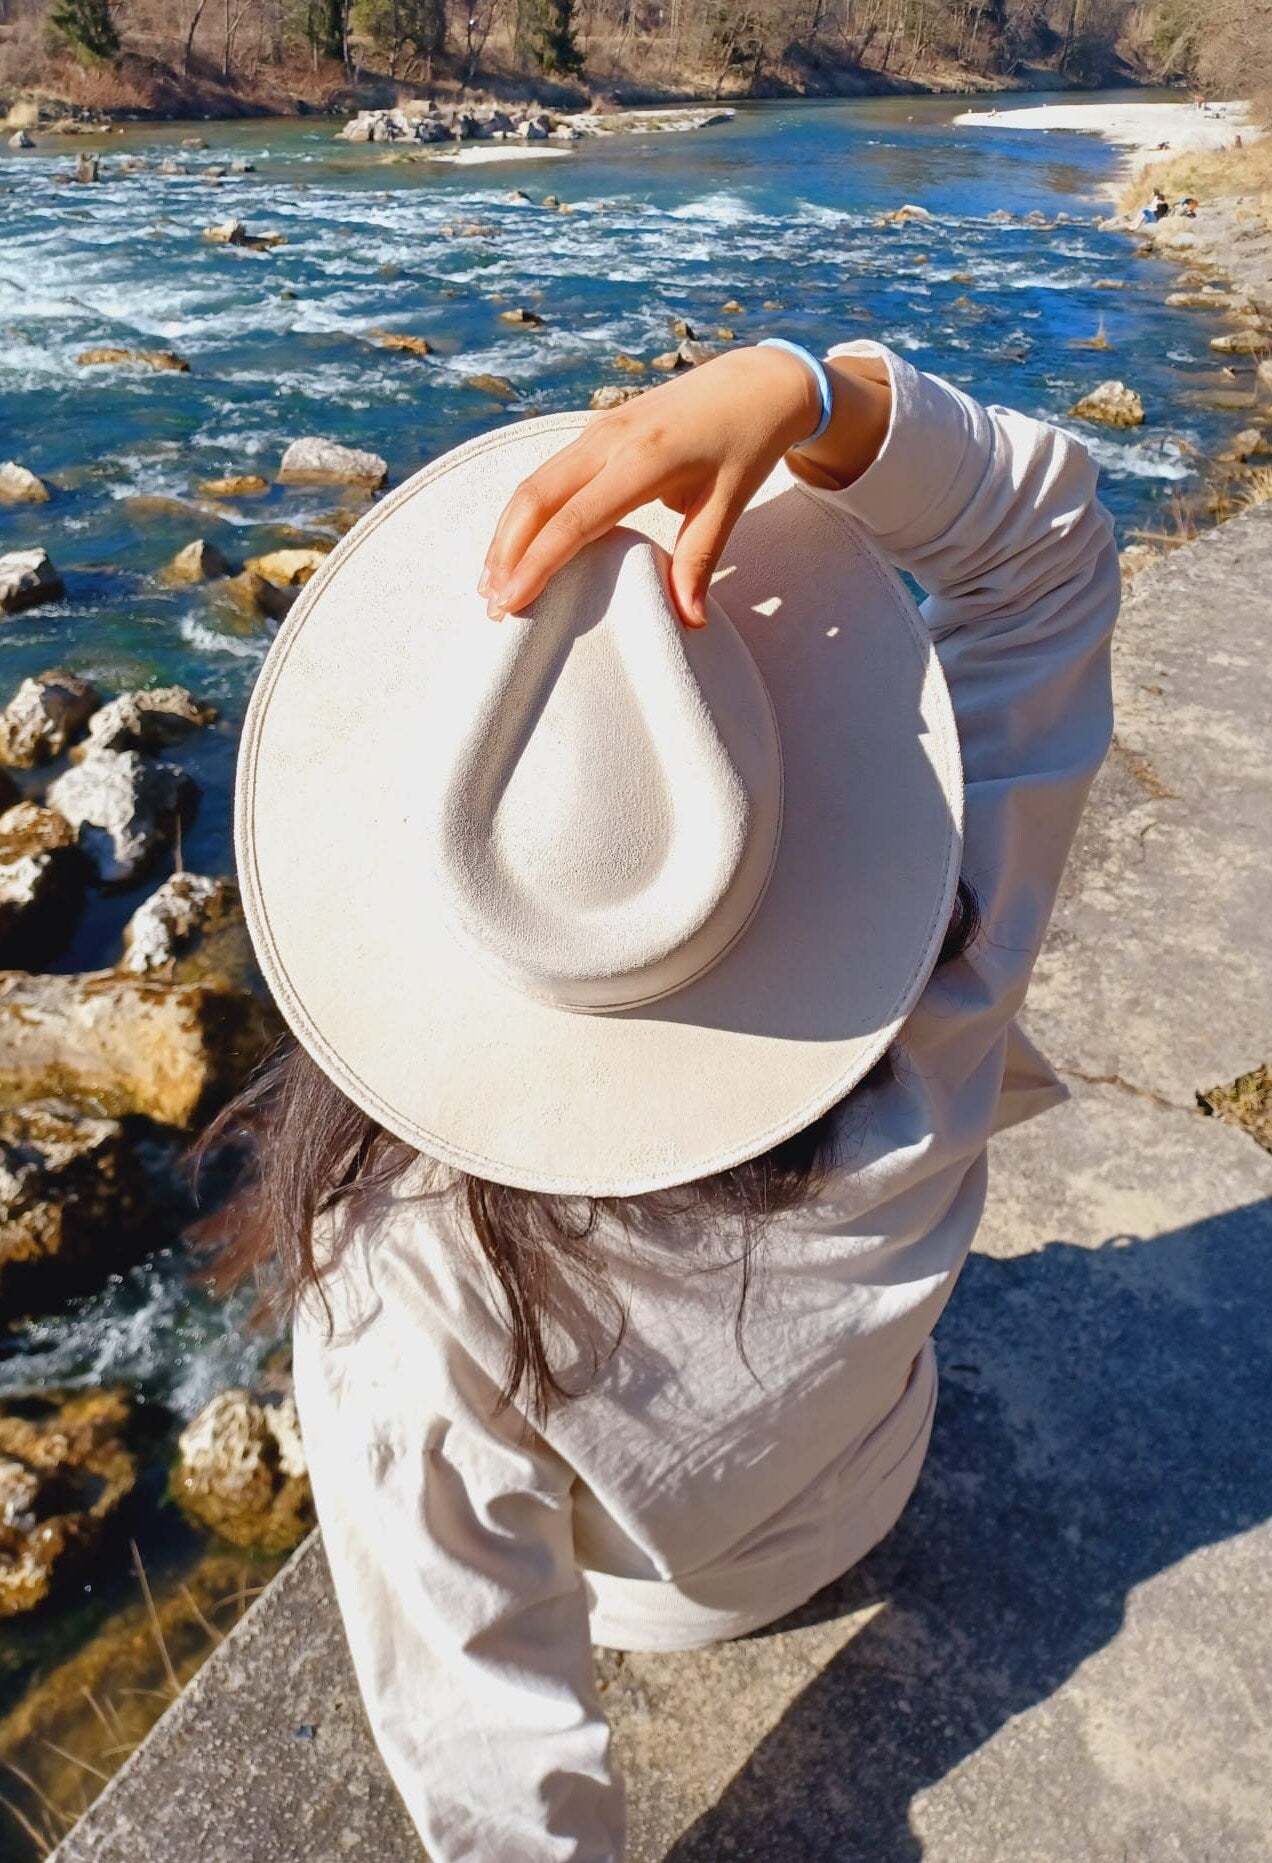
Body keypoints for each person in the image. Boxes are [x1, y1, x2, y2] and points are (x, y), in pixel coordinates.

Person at [209, 334, 1118, 1860]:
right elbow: (1045, 546)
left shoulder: (405, 1278)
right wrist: (811, 399)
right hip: (877, 1465)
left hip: (673, 1601)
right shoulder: (943, 943)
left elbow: (494, 1761)